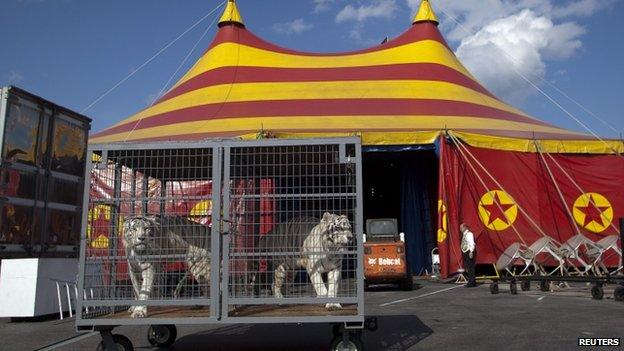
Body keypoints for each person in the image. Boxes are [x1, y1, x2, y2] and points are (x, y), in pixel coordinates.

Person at [460, 223, 477, 287]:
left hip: (469, 252)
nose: (460, 229)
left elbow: (471, 243)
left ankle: (471, 282)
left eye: (461, 228)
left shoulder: (469, 234)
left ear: (465, 227)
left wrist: (471, 252)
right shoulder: (464, 234)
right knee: (469, 267)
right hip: (465, 252)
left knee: (471, 267)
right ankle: (472, 281)